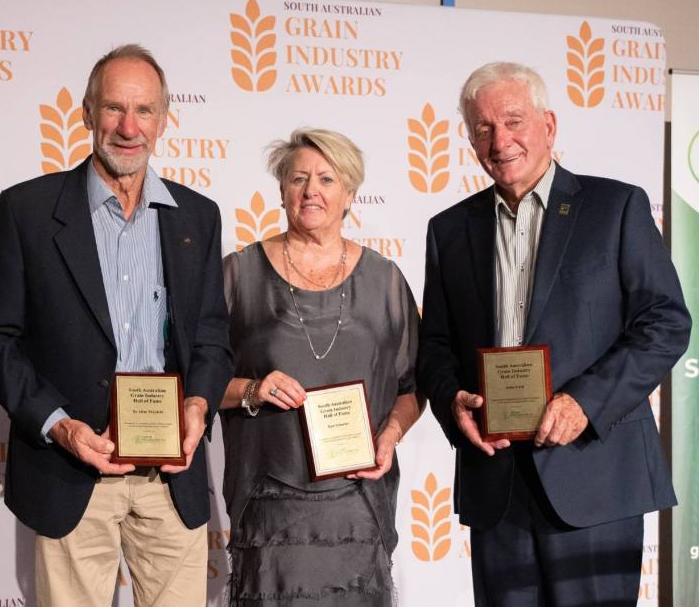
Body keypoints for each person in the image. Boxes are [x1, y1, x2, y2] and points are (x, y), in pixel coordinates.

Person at [417, 62, 690, 606]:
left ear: (549, 124)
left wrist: (584, 402)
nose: (501, 140)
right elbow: (435, 348)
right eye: (483, 128)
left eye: (514, 121)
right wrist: (454, 403)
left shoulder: (615, 207)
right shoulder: (449, 229)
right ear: (471, 140)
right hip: (498, 484)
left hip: (594, 474)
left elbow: (665, 322)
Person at [0, 44, 232, 606]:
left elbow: (212, 337)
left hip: (172, 479)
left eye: (144, 111)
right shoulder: (27, 211)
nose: (128, 127)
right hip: (73, 472)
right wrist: (61, 426)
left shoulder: (198, 216)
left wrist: (197, 409)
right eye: (114, 109)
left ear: (164, 120)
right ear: (87, 112)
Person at [219, 128, 423, 606]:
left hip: (356, 503)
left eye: (328, 179)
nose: (312, 190)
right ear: (282, 189)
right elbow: (198, 383)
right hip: (270, 502)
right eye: (299, 178)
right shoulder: (238, 275)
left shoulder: (387, 280)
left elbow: (412, 386)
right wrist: (252, 390)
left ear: (350, 193)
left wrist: (390, 435)